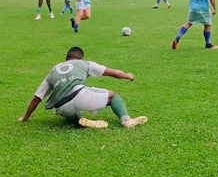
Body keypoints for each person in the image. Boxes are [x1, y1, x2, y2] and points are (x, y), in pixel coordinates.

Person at [18, 46, 147, 129]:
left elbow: (36, 98)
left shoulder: (53, 70)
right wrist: (128, 75)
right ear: (80, 58)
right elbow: (114, 73)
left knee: (73, 110)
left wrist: (25, 118)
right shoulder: (84, 64)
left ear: (66, 58)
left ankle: (79, 120)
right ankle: (126, 120)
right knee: (113, 96)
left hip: (61, 108)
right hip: (80, 96)